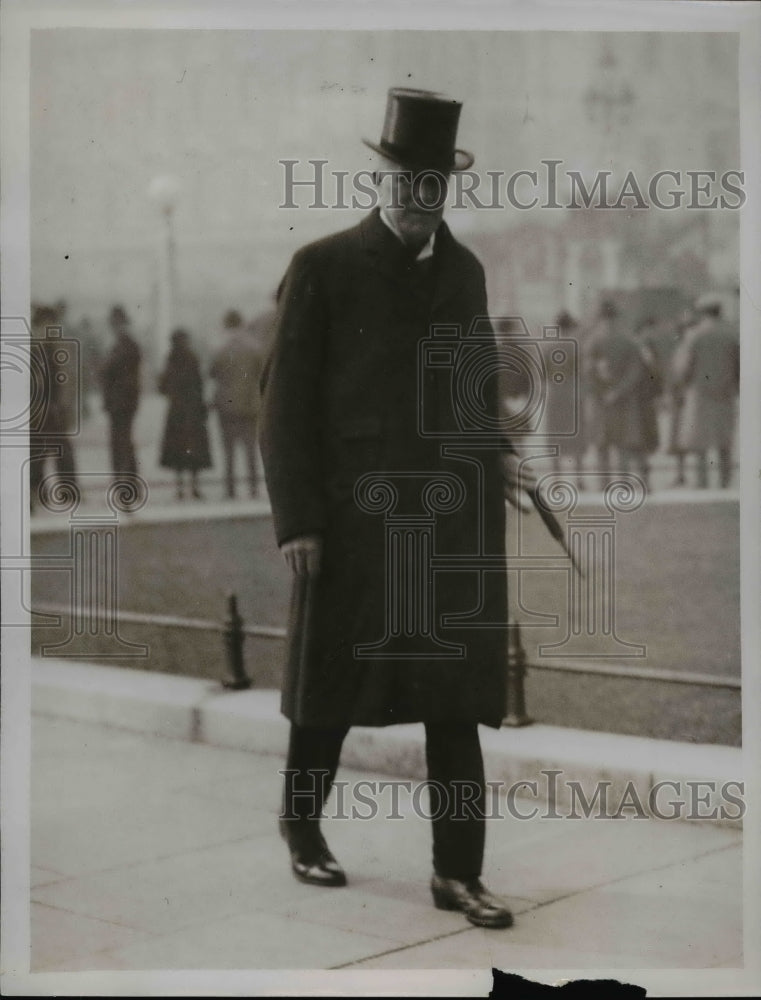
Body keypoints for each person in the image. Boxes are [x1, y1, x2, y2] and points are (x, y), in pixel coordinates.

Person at [260, 87, 530, 930]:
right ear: (382, 180)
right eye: (407, 179)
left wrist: (499, 452)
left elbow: (471, 384)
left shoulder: (464, 272)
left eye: (435, 182)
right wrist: (299, 519)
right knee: (327, 692)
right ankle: (302, 823)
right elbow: (283, 405)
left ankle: (458, 873)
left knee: (455, 694)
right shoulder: (323, 267)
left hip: (445, 525)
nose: (421, 197)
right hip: (348, 523)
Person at [672, 299, 739, 489]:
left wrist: (682, 384)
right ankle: (725, 482)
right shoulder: (732, 334)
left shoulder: (694, 335)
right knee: (724, 441)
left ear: (702, 313)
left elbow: (683, 367)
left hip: (700, 393)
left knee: (700, 441)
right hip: (725, 393)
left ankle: (702, 483)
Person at [586, 299, 651, 486]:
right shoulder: (629, 340)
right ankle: (622, 484)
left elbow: (588, 372)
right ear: (617, 318)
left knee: (602, 445)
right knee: (623, 444)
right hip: (624, 401)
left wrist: (603, 392)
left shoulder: (593, 341)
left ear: (599, 318)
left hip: (601, 402)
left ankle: (603, 484)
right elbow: (636, 371)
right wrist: (619, 392)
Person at [29, 304, 79, 511]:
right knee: (43, 450)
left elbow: (64, 380)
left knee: (47, 450)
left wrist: (60, 405)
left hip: (50, 409)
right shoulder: (41, 345)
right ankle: (48, 491)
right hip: (43, 409)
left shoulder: (52, 346)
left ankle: (55, 491)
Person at [209, 309, 263, 499]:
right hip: (250, 405)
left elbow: (212, 373)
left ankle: (230, 490)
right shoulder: (255, 347)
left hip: (227, 406)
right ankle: (254, 488)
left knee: (228, 452)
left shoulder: (220, 349)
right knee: (251, 451)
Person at [158, 329, 212, 500]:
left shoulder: (170, 360)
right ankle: (195, 487)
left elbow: (162, 387)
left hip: (176, 412)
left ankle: (180, 488)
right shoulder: (193, 358)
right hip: (193, 411)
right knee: (194, 451)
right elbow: (199, 385)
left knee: (177, 451)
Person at [546, 310, 587, 486]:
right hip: (572, 394)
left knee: (556, 438)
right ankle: (579, 480)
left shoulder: (548, 347)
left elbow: (543, 374)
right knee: (576, 438)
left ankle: (557, 480)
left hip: (555, 394)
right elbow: (581, 373)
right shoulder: (575, 346)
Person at [101, 305, 141, 480]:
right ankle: (127, 479)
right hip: (122, 402)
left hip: (121, 402)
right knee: (123, 441)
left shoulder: (124, 345)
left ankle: (123, 479)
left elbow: (113, 370)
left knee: (120, 442)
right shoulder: (124, 345)